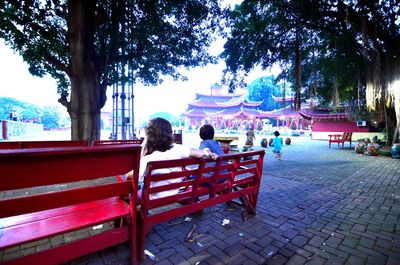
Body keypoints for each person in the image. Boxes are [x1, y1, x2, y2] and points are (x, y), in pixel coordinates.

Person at [126, 117, 218, 198]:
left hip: (152, 198)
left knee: (130, 192)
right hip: (175, 194)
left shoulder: (147, 160)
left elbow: (131, 176)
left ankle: (137, 214)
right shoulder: (178, 149)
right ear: (169, 133)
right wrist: (207, 151)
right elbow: (201, 153)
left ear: (149, 137)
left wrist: (143, 149)